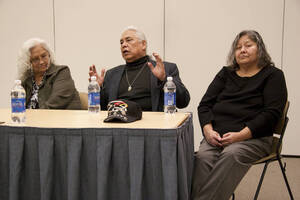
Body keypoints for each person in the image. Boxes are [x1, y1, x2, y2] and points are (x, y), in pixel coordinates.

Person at [192, 30, 287, 200]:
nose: (242, 50)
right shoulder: (225, 74)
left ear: (260, 49)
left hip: (254, 138)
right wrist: (208, 131)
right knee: (203, 157)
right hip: (216, 136)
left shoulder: (273, 75)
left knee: (231, 154)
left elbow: (271, 114)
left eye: (248, 45)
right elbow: (205, 105)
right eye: (238, 47)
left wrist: (240, 135)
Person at [89, 26, 190, 111]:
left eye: (129, 40)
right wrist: (97, 90)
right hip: (119, 127)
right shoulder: (112, 74)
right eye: (121, 42)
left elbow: (183, 102)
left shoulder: (166, 68)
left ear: (143, 44)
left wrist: (164, 79)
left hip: (153, 127)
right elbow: (102, 110)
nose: (124, 45)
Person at [17, 38, 81, 109]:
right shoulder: (26, 80)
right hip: (30, 119)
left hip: (59, 118)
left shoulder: (61, 72)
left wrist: (35, 117)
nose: (41, 62)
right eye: (36, 59)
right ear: (28, 63)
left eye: (44, 56)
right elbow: (17, 105)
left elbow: (56, 101)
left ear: (49, 55)